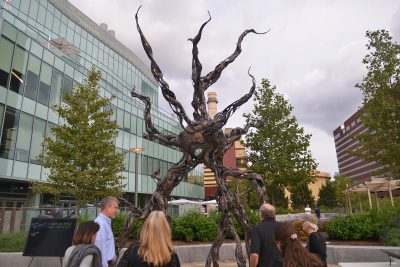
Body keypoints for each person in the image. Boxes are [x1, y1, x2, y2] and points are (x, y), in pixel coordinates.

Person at [250, 203, 282, 267]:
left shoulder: (258, 229)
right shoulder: (282, 227)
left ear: (261, 214)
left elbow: (254, 255)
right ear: (274, 214)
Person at [94, 197, 119, 267]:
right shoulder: (100, 223)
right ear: (108, 207)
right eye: (115, 208)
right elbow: (99, 248)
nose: (117, 211)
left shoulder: (105, 222)